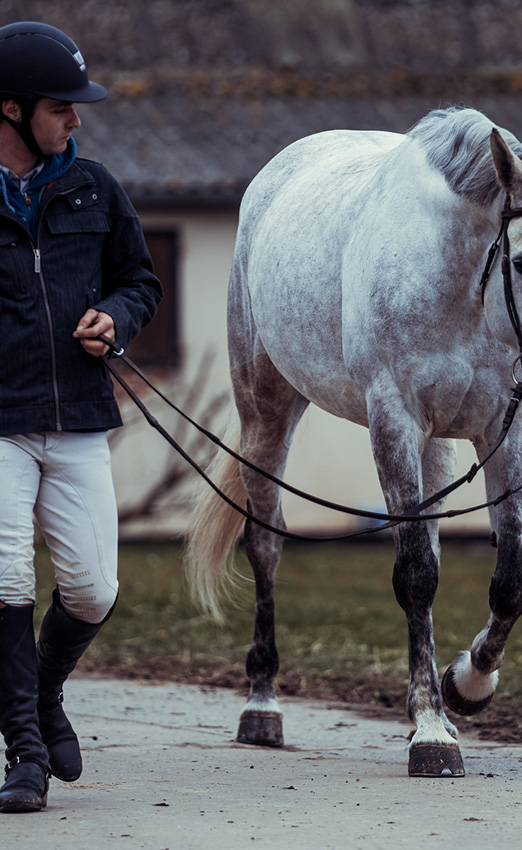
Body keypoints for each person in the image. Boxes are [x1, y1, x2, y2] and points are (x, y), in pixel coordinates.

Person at [0, 22, 162, 813]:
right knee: (4, 579)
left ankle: (40, 696)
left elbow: (141, 281)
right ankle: (24, 755)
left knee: (94, 588)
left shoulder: (95, 186)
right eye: (62, 107)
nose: (76, 120)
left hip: (79, 421)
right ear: (11, 109)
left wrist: (116, 319)